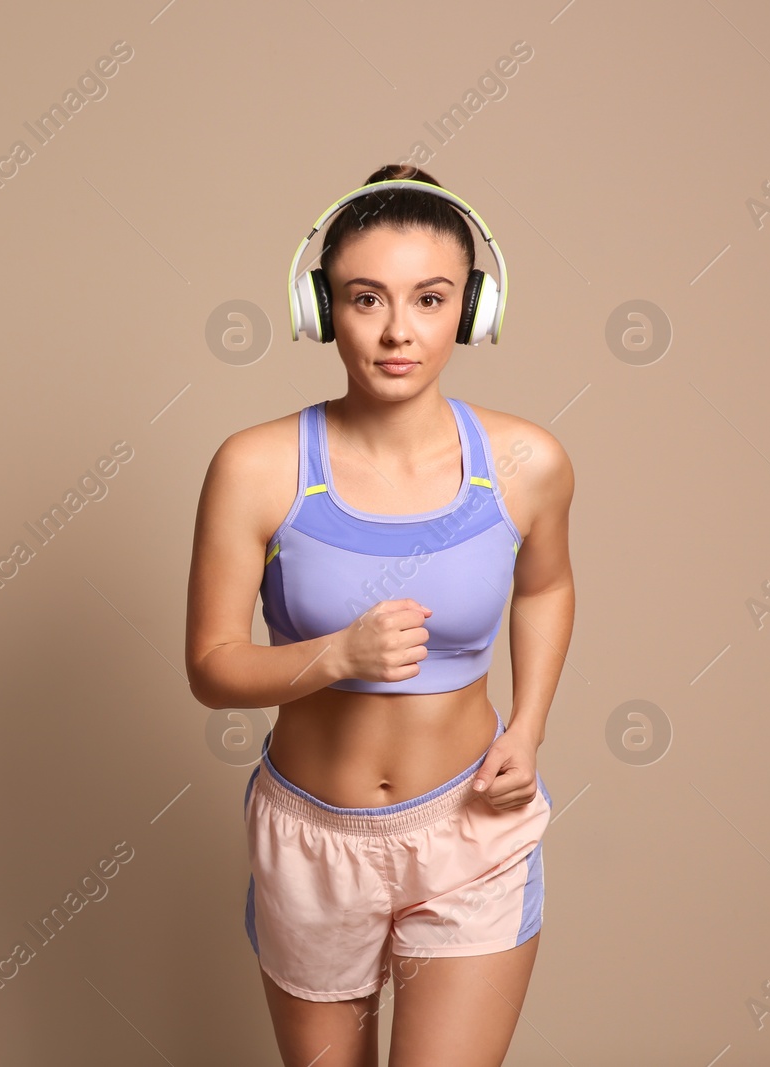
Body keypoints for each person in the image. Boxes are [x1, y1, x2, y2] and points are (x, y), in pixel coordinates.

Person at [185, 163, 576, 1067]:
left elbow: (547, 585)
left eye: (431, 299)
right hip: (313, 836)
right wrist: (333, 654)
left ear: (472, 311)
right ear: (321, 308)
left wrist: (529, 723)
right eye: (366, 298)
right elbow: (210, 664)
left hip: (472, 823)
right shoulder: (256, 465)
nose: (399, 330)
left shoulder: (526, 461)